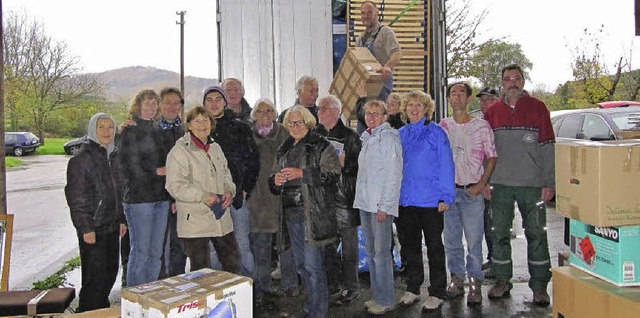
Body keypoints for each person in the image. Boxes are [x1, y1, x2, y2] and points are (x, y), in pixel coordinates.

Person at [484, 64, 555, 306]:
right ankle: (502, 280)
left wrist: (548, 183)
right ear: (502, 83)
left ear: (523, 81)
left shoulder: (538, 108)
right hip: (500, 184)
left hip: (532, 185)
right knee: (499, 234)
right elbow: (485, 151)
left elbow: (547, 147)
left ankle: (539, 287)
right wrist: (485, 181)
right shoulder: (492, 112)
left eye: (516, 79)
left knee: (536, 234)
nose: (512, 83)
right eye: (507, 79)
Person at [269, 105, 341, 318]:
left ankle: (319, 312)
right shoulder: (284, 147)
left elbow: (333, 173)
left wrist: (302, 173)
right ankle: (310, 308)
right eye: (290, 123)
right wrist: (275, 180)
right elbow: (272, 178)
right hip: (290, 216)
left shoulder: (321, 145)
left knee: (313, 267)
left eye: (299, 122)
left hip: (313, 215)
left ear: (308, 122)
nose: (295, 126)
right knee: (301, 266)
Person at [439, 82, 497, 305]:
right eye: (453, 93)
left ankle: (475, 281)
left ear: (468, 98)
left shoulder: (481, 126)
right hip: (450, 193)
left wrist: (482, 183)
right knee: (452, 240)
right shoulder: (443, 126)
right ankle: (456, 278)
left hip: (472, 192)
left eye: (462, 92)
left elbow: (492, 157)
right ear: (448, 99)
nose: (457, 96)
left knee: (474, 241)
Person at [396, 90, 454, 311]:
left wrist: (445, 196)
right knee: (410, 247)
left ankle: (437, 291)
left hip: (431, 201)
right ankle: (413, 287)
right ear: (405, 109)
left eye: (419, 105)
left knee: (434, 247)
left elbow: (447, 165)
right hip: (406, 201)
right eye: (410, 105)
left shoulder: (436, 133)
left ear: (426, 109)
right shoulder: (400, 134)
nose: (414, 108)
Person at [164, 106, 239, 273]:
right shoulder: (179, 151)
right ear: (189, 125)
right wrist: (204, 196)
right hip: (195, 220)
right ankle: (205, 300)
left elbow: (226, 174)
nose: (202, 124)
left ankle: (230, 298)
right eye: (197, 121)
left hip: (221, 216)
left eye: (206, 120)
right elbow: (174, 185)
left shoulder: (215, 148)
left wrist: (229, 191)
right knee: (201, 270)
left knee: (232, 261)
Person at [65, 113, 126, 312]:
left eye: (110, 127)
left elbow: (120, 192)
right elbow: (77, 197)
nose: (107, 131)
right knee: (94, 280)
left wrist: (121, 219)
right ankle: (88, 312)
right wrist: (85, 228)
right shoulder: (82, 159)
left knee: (109, 274)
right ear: (93, 130)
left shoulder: (114, 156)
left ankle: (101, 310)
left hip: (111, 226)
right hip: (93, 229)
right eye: (102, 127)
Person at [202, 85, 259, 278]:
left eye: (218, 99)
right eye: (209, 100)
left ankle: (250, 291)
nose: (214, 103)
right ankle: (219, 293)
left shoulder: (240, 127)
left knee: (242, 244)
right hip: (210, 199)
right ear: (203, 104)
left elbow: (253, 161)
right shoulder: (197, 130)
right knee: (213, 248)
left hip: (236, 198)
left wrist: (245, 190)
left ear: (225, 102)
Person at [248, 98, 299, 304]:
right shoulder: (248, 135)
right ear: (255, 115)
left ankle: (291, 284)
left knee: (286, 244)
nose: (265, 114)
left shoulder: (284, 134)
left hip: (281, 195)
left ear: (275, 113)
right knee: (260, 245)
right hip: (257, 197)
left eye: (269, 110)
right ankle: (262, 286)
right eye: (260, 111)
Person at [353, 100, 403, 315]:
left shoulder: (389, 138)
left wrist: (385, 206)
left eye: (376, 113)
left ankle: (386, 299)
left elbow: (393, 175)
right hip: (365, 203)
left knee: (381, 254)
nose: (371, 117)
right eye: (368, 113)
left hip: (379, 206)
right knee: (373, 253)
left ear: (385, 116)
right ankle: (377, 296)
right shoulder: (368, 138)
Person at [117, 89, 170, 287]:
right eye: (146, 103)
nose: (151, 107)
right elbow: (128, 165)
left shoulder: (158, 130)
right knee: (140, 252)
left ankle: (150, 295)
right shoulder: (129, 130)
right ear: (138, 106)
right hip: (139, 200)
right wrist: (156, 171)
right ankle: (136, 300)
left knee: (156, 253)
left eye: (154, 103)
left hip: (161, 199)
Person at [314, 95, 362, 305]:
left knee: (350, 249)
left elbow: (360, 167)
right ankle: (333, 284)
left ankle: (352, 287)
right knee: (327, 247)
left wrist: (345, 164)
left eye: (323, 108)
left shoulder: (351, 137)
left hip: (344, 199)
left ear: (336, 111)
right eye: (318, 109)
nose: (319, 112)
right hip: (323, 199)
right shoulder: (314, 135)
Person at [156, 87, 187, 278]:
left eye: (177, 102)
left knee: (179, 245)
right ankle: (160, 287)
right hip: (156, 197)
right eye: (168, 102)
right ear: (160, 104)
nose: (172, 106)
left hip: (180, 197)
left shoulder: (184, 131)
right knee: (158, 246)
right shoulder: (150, 129)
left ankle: (178, 285)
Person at [357, 1, 402, 102]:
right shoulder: (360, 38)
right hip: (365, 88)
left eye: (369, 12)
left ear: (377, 13)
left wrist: (387, 66)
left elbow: (397, 53)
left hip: (382, 86)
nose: (366, 16)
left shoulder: (385, 32)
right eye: (363, 13)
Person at [475, 86, 499, 275]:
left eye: (489, 100)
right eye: (482, 101)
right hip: (484, 182)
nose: (485, 104)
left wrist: (489, 180)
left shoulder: (500, 122)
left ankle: (498, 264)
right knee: (487, 223)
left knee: (496, 224)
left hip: (497, 182)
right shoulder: (481, 124)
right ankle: (493, 260)